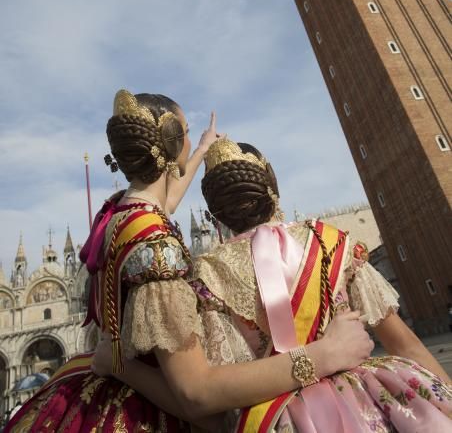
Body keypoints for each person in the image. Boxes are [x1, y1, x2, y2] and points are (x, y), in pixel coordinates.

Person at [5, 92, 374, 432]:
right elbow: (198, 397)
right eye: (184, 131)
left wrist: (200, 150)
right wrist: (323, 354)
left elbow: (162, 201)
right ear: (169, 142)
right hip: (145, 406)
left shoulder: (120, 215)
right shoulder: (157, 247)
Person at [93, 137, 452, 432]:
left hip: (281, 419)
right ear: (272, 189)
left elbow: (207, 409)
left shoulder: (200, 277)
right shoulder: (333, 243)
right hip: (385, 403)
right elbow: (408, 346)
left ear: (215, 214)